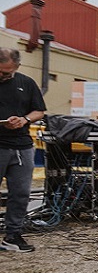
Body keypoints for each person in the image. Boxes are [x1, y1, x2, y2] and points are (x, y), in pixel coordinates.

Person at [0, 48, 46, 252]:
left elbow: (39, 111)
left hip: (22, 146)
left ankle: (12, 235)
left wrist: (24, 120)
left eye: (7, 73)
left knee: (21, 193)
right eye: (0, 72)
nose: (3, 76)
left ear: (17, 67)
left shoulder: (26, 83)